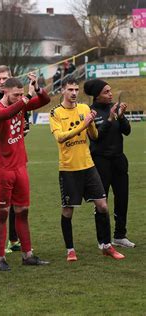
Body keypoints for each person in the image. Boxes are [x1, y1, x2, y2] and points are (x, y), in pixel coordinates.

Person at [49, 78, 125, 261]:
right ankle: (70, 250)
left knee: (102, 205)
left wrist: (91, 122)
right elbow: (60, 138)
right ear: (63, 91)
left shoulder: (84, 108)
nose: (74, 93)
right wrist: (83, 125)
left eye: (76, 89)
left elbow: (94, 135)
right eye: (70, 90)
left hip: (88, 166)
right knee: (68, 210)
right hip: (69, 168)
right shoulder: (55, 113)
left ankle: (107, 246)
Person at [0, 75, 50, 271]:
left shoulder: (20, 103)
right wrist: (25, 99)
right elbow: (6, 114)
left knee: (23, 211)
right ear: (5, 91)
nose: (20, 97)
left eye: (22, 94)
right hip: (2, 168)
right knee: (2, 213)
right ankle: (0, 257)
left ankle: (27, 254)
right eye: (16, 94)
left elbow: (45, 101)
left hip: (20, 166)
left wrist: (37, 89)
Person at [0, 65, 31, 254]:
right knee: (0, 206)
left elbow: (27, 117)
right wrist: (4, 130)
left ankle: (14, 240)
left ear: (10, 80)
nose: (1, 82)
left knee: (19, 206)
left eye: (4, 78)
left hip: (16, 154)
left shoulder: (17, 96)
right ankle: (0, 250)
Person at [84, 79, 134, 248]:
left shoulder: (115, 108)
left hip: (119, 160)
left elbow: (127, 131)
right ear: (97, 96)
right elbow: (94, 137)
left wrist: (120, 117)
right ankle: (102, 239)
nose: (110, 94)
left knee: (122, 198)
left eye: (110, 91)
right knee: (101, 202)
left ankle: (120, 235)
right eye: (106, 92)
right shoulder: (91, 112)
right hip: (100, 161)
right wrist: (110, 119)